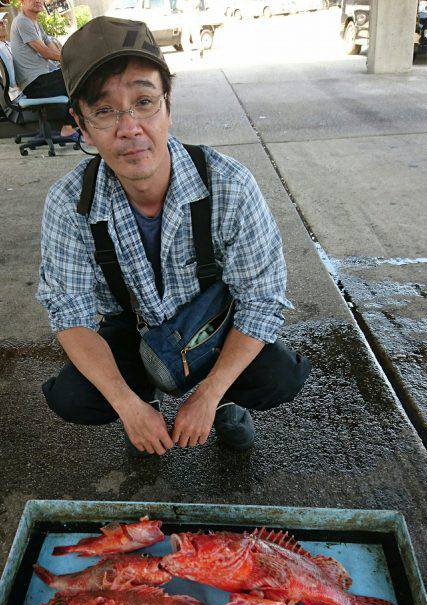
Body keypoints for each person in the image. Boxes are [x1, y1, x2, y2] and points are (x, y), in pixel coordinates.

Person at [38, 16, 311, 456]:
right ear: (82, 125)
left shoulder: (230, 185)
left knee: (280, 376)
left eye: (144, 101)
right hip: (133, 332)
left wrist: (208, 395)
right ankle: (146, 406)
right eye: (105, 110)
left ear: (168, 104)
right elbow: (70, 315)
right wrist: (127, 406)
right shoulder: (68, 203)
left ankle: (225, 405)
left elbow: (262, 300)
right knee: (71, 395)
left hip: (211, 329)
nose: (129, 128)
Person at [10, 0, 76, 137]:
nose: (38, 1)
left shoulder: (36, 24)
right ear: (22, 2)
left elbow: (55, 51)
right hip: (35, 84)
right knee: (77, 76)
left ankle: (73, 124)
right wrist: (76, 59)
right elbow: (46, 53)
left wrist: (70, 56)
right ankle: (68, 127)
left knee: (78, 73)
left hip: (42, 79)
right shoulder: (22, 22)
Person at [0, 11, 16, 89]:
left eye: (4, 22)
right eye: (0, 23)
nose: (4, 25)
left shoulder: (10, 44)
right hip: (12, 93)